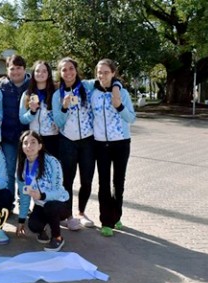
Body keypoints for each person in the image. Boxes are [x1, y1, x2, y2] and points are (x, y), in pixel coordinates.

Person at [91, 58, 136, 237]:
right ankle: (106, 221)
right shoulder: (92, 91)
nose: (102, 76)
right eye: (99, 72)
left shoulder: (122, 93)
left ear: (113, 73)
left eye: (106, 72)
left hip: (121, 143)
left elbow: (131, 118)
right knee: (103, 183)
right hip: (100, 143)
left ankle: (116, 215)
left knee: (118, 182)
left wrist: (119, 105)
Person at [52, 57, 96, 229]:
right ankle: (68, 215)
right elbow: (59, 122)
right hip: (67, 141)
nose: (68, 72)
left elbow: (107, 77)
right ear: (60, 73)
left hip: (88, 140)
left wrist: (116, 86)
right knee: (67, 180)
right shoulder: (57, 94)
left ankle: (82, 212)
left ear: (76, 70)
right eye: (64, 70)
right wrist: (63, 107)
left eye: (71, 68)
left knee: (87, 179)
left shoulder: (88, 87)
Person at [15, 130, 70, 251]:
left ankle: (57, 238)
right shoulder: (22, 166)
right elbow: (24, 196)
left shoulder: (52, 162)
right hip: (41, 205)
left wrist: (42, 196)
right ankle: (43, 228)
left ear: (40, 146)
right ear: (22, 147)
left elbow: (59, 191)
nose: (29, 146)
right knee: (33, 225)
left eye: (33, 142)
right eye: (25, 143)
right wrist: (21, 220)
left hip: (60, 203)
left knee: (51, 207)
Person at [0, 54, 30, 208]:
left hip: (28, 137)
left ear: (24, 69)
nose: (15, 72)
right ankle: (8, 203)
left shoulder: (33, 85)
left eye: (19, 68)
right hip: (8, 136)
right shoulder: (0, 86)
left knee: (25, 172)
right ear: (7, 70)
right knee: (9, 171)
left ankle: (25, 203)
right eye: (12, 68)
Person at [19, 60, 59, 159]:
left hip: (53, 138)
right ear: (33, 74)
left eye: (44, 71)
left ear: (49, 74)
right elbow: (22, 119)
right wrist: (32, 112)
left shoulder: (56, 93)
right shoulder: (27, 94)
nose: (40, 73)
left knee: (51, 169)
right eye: (37, 71)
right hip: (34, 139)